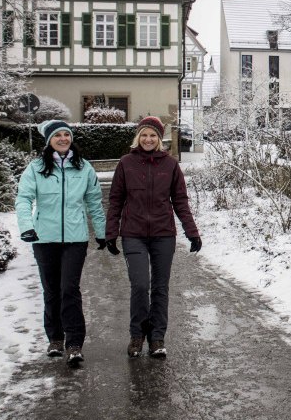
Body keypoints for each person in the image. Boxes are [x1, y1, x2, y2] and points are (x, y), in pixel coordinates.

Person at [105, 116, 201, 358]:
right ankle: (137, 335)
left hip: (163, 234)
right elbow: (115, 200)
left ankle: (157, 338)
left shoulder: (170, 165)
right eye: (144, 135)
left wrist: (192, 232)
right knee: (139, 285)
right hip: (133, 234)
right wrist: (111, 232)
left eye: (153, 136)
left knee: (160, 287)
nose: (148, 139)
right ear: (138, 137)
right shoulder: (126, 163)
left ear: (159, 139)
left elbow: (180, 201)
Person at [15, 120, 107, 366]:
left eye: (67, 134)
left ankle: (74, 343)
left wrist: (101, 232)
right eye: (58, 135)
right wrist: (26, 227)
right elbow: (23, 198)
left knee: (69, 289)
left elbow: (94, 202)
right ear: (49, 140)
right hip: (44, 238)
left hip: (75, 239)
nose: (64, 138)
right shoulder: (36, 168)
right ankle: (55, 337)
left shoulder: (84, 168)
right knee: (51, 290)